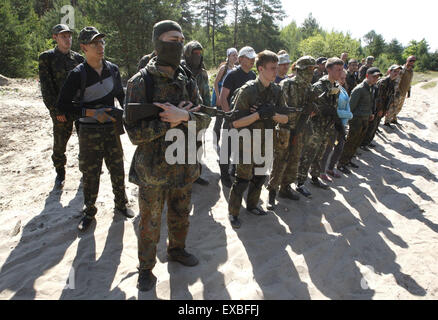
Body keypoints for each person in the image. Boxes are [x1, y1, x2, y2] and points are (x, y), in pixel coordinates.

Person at [123, 20, 211, 291]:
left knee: (181, 213)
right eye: (173, 40)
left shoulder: (188, 79)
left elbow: (205, 119)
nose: (179, 45)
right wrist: (168, 122)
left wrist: (185, 115)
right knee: (150, 221)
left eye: (182, 40)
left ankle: (177, 250)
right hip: (153, 170)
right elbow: (134, 135)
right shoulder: (141, 82)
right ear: (158, 42)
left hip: (183, 163)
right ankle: (146, 268)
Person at [56, 26, 131, 231]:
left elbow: (121, 96)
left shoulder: (112, 69)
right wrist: (91, 113)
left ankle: (121, 204)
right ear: (83, 47)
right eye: (94, 43)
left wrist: (124, 112)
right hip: (89, 132)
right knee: (90, 172)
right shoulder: (77, 74)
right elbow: (62, 105)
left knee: (117, 167)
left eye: (101, 42)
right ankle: (89, 212)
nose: (100, 47)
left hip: (111, 128)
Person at [227, 50, 289, 228]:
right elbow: (235, 123)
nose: (275, 72)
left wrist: (273, 114)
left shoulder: (276, 91)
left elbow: (285, 118)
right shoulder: (247, 91)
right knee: (242, 180)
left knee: (260, 176)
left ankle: (253, 205)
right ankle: (233, 213)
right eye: (272, 68)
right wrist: (258, 115)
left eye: (276, 68)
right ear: (260, 68)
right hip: (247, 141)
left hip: (267, 140)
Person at [267, 56, 317, 209]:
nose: (310, 74)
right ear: (299, 70)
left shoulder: (309, 88)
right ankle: (272, 192)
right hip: (285, 129)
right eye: (308, 70)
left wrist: (312, 109)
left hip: (300, 129)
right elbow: (278, 108)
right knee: (280, 160)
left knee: (294, 160)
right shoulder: (286, 84)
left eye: (312, 70)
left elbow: (311, 110)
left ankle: (286, 187)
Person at [38, 24, 85, 188]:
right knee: (60, 143)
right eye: (63, 36)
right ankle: (60, 173)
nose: (67, 39)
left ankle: (85, 170)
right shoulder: (47, 58)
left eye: (69, 36)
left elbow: (84, 85)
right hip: (61, 109)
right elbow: (46, 87)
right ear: (55, 37)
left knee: (85, 140)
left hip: (79, 108)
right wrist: (56, 110)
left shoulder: (78, 59)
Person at [296, 57, 344, 197]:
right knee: (308, 155)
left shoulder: (335, 85)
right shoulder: (319, 86)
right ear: (328, 69)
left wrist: (335, 121)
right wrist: (327, 112)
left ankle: (315, 177)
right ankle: (300, 182)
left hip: (326, 127)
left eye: (341, 69)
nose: (340, 72)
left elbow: (333, 105)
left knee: (320, 153)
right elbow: (316, 108)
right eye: (338, 70)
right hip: (315, 127)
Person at [218, 46, 257, 188]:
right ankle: (224, 175)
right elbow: (223, 98)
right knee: (227, 148)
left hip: (246, 120)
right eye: (249, 57)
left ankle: (234, 171)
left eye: (253, 57)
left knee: (239, 147)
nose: (252, 60)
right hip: (232, 118)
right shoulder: (232, 75)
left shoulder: (253, 76)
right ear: (240, 59)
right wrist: (229, 117)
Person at [337, 67, 382, 173]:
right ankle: (341, 163)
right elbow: (351, 106)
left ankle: (348, 160)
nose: (376, 78)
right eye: (374, 76)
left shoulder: (371, 87)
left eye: (377, 77)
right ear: (367, 76)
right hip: (357, 120)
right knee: (351, 141)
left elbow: (369, 102)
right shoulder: (359, 89)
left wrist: (370, 113)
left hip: (365, 119)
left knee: (357, 141)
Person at [182, 40, 211, 186]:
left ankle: (196, 174)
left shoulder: (202, 73)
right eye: (194, 54)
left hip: (198, 116)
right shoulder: (180, 70)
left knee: (198, 145)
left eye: (200, 54)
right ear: (187, 54)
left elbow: (206, 93)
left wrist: (208, 114)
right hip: (182, 116)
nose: (197, 57)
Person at [319, 69, 353, 181]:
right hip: (333, 124)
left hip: (342, 124)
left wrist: (347, 114)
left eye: (344, 78)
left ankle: (331, 168)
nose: (343, 80)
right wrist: (347, 114)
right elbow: (333, 109)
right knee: (328, 148)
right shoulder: (333, 90)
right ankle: (322, 171)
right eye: (341, 78)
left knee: (340, 147)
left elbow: (347, 104)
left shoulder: (342, 89)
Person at [362, 64, 401, 144]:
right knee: (372, 126)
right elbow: (377, 97)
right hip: (377, 108)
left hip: (383, 108)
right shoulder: (383, 82)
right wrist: (379, 109)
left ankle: (368, 141)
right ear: (389, 72)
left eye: (398, 72)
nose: (396, 73)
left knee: (375, 126)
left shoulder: (393, 82)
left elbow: (390, 96)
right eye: (394, 71)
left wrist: (387, 109)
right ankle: (364, 142)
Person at [212, 48, 238, 151]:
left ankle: (226, 144)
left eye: (236, 55)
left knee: (228, 122)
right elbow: (215, 83)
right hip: (222, 97)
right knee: (219, 121)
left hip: (230, 99)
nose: (235, 57)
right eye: (233, 55)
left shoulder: (236, 69)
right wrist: (218, 97)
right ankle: (215, 142)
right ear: (228, 57)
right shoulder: (224, 68)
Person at [385, 56, 416, 126]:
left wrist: (409, 91)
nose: (412, 62)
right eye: (410, 61)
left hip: (403, 92)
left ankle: (394, 119)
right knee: (393, 107)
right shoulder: (401, 70)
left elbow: (409, 82)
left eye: (413, 61)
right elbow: (397, 81)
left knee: (399, 108)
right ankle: (387, 121)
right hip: (398, 92)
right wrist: (395, 92)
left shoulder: (411, 71)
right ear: (407, 60)